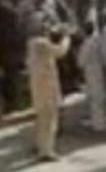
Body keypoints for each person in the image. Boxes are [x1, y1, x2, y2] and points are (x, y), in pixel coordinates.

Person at [27, 23, 71, 162]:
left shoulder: (31, 43)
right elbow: (60, 51)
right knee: (50, 118)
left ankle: (39, 144)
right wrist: (66, 37)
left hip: (39, 83)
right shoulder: (42, 43)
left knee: (42, 117)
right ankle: (46, 151)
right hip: (46, 84)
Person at [77, 21, 106, 133]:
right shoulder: (99, 42)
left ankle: (99, 125)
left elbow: (80, 62)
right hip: (100, 70)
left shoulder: (86, 44)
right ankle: (102, 122)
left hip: (91, 72)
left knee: (95, 99)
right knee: (101, 96)